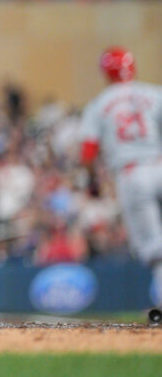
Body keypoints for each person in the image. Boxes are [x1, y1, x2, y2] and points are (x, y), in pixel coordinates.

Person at [79, 47, 162, 323]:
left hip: (131, 174)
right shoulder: (153, 94)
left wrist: (92, 182)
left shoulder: (100, 104)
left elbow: (88, 152)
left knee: (154, 246)